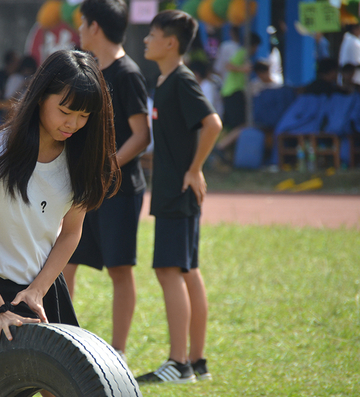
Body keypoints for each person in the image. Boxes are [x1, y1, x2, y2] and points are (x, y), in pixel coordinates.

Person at [0, 49, 119, 397]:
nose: (72, 124)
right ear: (40, 98)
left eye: (84, 115)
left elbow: (71, 233)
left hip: (43, 289)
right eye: (65, 111)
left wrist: (39, 288)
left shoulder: (80, 159)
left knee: (69, 386)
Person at [136, 10, 222, 384]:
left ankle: (179, 363)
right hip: (176, 191)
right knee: (187, 270)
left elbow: (213, 123)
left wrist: (194, 168)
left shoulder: (180, 81)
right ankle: (197, 362)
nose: (146, 40)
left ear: (170, 42)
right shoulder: (167, 80)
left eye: (152, 35)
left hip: (178, 191)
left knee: (169, 270)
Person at [62, 0, 150, 361]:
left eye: (82, 24)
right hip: (85, 186)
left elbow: (142, 135)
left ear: (95, 27)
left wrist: (107, 167)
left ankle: (119, 351)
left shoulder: (127, 73)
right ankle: (61, 339)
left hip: (119, 189)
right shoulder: (87, 69)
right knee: (64, 261)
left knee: (119, 269)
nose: (79, 31)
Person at [214, 32, 261, 156]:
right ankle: (220, 146)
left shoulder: (242, 53)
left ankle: (222, 148)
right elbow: (228, 65)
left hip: (229, 91)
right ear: (253, 45)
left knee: (230, 125)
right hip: (234, 91)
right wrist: (243, 69)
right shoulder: (242, 53)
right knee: (242, 124)